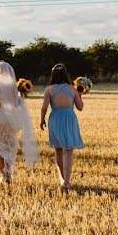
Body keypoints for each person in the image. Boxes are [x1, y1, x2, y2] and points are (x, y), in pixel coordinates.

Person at [40, 63, 84, 192]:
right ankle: (67, 182)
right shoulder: (72, 89)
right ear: (66, 75)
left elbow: (44, 107)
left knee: (58, 150)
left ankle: (61, 179)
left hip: (55, 119)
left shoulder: (49, 89)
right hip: (69, 119)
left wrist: (42, 119)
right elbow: (80, 108)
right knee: (68, 150)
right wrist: (80, 95)